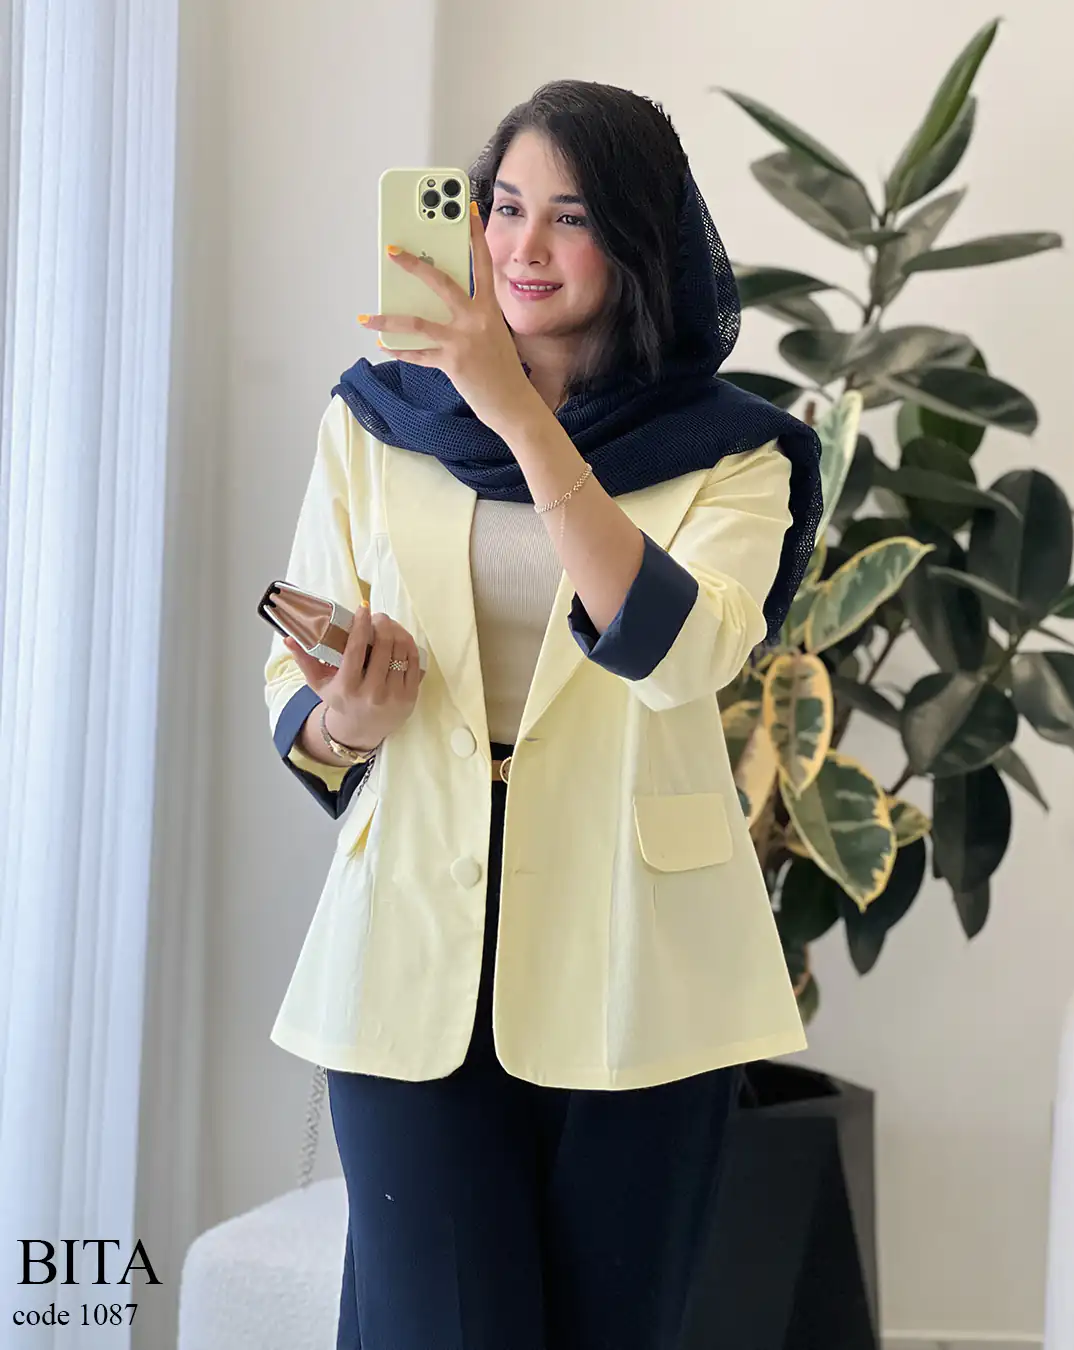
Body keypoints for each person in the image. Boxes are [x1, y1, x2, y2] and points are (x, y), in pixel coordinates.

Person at [263, 79, 822, 1350]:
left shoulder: (737, 451)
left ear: (640, 244)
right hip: (411, 935)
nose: (521, 246)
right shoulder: (378, 417)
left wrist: (516, 412)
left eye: (569, 218)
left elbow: (680, 653)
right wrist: (348, 720)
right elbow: (291, 689)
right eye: (504, 206)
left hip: (645, 959)